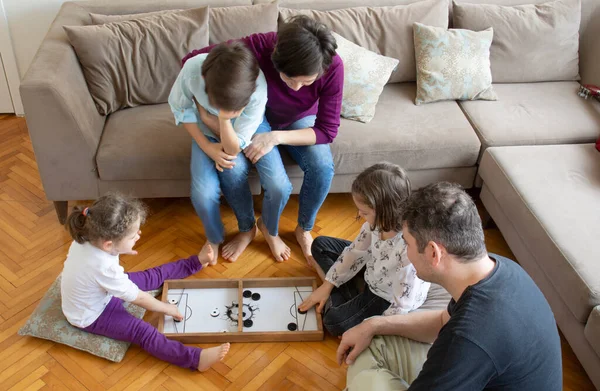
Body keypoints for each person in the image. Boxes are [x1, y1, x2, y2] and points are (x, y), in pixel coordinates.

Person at [338, 182, 562, 390]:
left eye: (407, 243)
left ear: (433, 253)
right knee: (371, 346)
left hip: (469, 362)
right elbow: (442, 321)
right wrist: (372, 324)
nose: (405, 253)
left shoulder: (466, 339)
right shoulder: (497, 269)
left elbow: (460, 337)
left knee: (365, 380)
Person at [183, 15, 343, 264]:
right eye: (290, 79)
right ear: (276, 56)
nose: (297, 88)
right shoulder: (259, 46)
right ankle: (254, 228)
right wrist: (206, 110)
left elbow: (327, 130)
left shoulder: (332, 66)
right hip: (258, 117)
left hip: (299, 121)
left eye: (307, 82)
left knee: (323, 167)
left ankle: (303, 228)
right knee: (243, 171)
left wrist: (275, 138)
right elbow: (192, 60)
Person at [61, 193, 230, 372]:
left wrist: (121, 249)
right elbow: (140, 299)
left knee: (152, 276)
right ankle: (196, 359)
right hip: (91, 314)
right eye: (133, 235)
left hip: (102, 290)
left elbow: (103, 263)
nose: (139, 235)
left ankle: (196, 262)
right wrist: (167, 308)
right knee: (143, 332)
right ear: (108, 245)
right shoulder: (103, 268)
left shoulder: (87, 237)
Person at [169, 41, 292, 264]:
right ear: (206, 83)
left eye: (236, 107)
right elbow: (182, 108)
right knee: (203, 194)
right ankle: (224, 235)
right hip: (205, 131)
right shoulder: (192, 70)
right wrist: (207, 146)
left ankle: (268, 229)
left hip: (248, 127)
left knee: (279, 185)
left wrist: (223, 118)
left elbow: (233, 146)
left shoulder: (257, 89)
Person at [298, 163, 430, 336]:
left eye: (365, 212)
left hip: (385, 296)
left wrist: (372, 327)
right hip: (374, 267)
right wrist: (327, 285)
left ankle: (348, 293)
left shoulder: (408, 249)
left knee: (333, 321)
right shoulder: (374, 224)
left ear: (386, 211)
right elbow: (354, 252)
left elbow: (401, 305)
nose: (360, 215)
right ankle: (344, 289)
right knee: (320, 245)